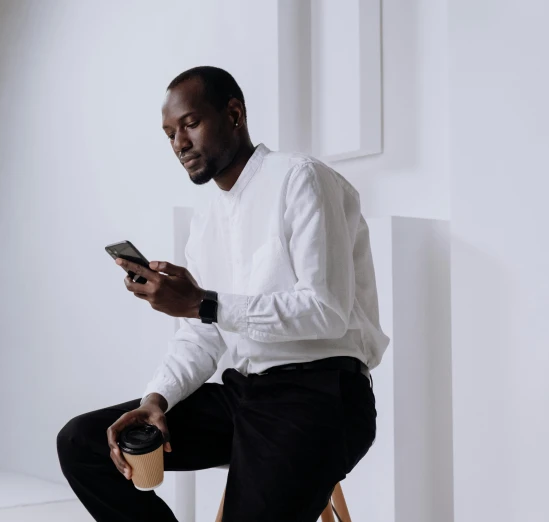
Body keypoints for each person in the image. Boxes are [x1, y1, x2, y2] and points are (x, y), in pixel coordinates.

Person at [57, 66, 389, 521]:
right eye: (170, 133)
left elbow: (325, 310)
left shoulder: (301, 179)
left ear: (234, 114)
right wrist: (156, 400)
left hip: (321, 396)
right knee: (82, 442)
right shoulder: (207, 220)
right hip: (244, 395)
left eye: (190, 124)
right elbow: (203, 336)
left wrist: (202, 302)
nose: (179, 143)